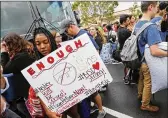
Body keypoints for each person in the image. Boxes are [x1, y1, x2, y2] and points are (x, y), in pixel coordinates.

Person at [60, 19, 106, 118]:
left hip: (89, 69)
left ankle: (101, 111)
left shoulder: (83, 35)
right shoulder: (78, 36)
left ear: (71, 27)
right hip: (85, 69)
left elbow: (96, 50)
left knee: (94, 92)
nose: (66, 34)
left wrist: (93, 68)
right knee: (91, 93)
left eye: (66, 31)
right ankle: (97, 108)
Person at [30, 27, 79, 118]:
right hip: (54, 101)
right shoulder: (35, 66)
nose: (42, 47)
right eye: (38, 44)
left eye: (45, 42)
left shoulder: (64, 56)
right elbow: (40, 90)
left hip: (70, 94)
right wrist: (48, 111)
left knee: (74, 113)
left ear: (51, 41)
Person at [135, 1, 168, 112]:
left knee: (141, 78)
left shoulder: (137, 23)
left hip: (139, 58)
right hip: (147, 61)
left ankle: (140, 95)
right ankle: (145, 105)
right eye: (156, 7)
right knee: (148, 83)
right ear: (150, 7)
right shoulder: (151, 27)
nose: (157, 10)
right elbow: (154, 51)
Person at [1, 33, 36, 117]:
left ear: (11, 44)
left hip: (28, 94)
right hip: (28, 92)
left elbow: (4, 71)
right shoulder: (25, 52)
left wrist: (3, 53)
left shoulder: (19, 57)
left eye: (6, 45)